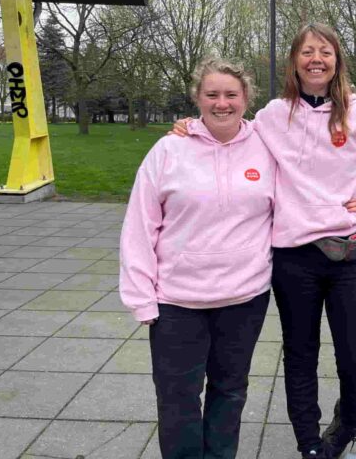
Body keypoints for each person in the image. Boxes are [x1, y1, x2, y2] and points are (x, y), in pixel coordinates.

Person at [173, 23, 356, 459]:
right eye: (307, 51)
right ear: (294, 61)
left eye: (325, 52)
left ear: (337, 61)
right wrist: (189, 126)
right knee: (300, 355)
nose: (316, 59)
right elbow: (228, 128)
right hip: (293, 259)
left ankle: (344, 429)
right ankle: (309, 444)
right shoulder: (274, 115)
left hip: (347, 256)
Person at [120, 58, 276, 459]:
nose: (221, 103)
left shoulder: (269, 144)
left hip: (244, 297)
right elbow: (140, 225)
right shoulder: (169, 149)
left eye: (231, 94)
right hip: (177, 301)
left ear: (246, 98)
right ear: (197, 98)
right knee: (178, 398)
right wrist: (141, 297)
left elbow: (317, 153)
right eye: (212, 94)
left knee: (231, 391)